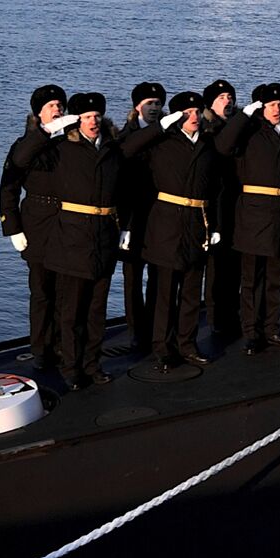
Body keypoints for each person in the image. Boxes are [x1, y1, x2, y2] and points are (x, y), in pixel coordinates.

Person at [13, 91, 122, 389]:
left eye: (97, 116)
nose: (93, 121)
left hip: (103, 238)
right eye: (86, 117)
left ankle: (92, 363)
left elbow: (123, 189)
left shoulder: (112, 148)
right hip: (72, 238)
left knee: (96, 310)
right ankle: (71, 367)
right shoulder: (60, 149)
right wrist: (48, 130)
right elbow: (20, 159)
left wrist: (125, 227)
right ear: (76, 121)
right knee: (71, 310)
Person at [122, 91, 220, 371]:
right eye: (188, 113)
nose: (194, 117)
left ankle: (187, 344)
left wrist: (216, 226)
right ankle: (162, 347)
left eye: (197, 112)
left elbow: (216, 187)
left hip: (197, 223)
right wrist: (159, 127)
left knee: (191, 291)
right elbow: (127, 149)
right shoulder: (161, 142)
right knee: (164, 291)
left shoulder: (207, 144)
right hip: (166, 223)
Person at [215, 82, 280, 354]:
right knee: (252, 278)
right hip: (254, 213)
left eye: (279, 104)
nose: (277, 109)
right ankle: (252, 332)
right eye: (270, 105)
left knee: (275, 277)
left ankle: (271, 328)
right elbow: (223, 146)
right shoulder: (249, 133)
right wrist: (244, 115)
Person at [0, 84, 66, 370]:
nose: (57, 109)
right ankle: (41, 348)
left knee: (65, 291)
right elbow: (9, 187)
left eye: (60, 105)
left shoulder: (70, 142)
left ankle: (64, 344)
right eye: (51, 106)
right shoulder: (25, 144)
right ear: (39, 113)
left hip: (68, 223)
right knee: (41, 291)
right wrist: (13, 227)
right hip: (37, 223)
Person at [119, 82, 166, 350]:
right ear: (137, 106)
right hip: (134, 216)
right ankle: (136, 330)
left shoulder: (167, 133)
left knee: (159, 274)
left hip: (161, 214)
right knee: (133, 277)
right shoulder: (125, 135)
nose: (154, 108)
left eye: (158, 103)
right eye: (149, 103)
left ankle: (155, 326)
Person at [201, 79, 241, 338]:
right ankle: (215, 317)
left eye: (230, 97)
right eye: (221, 97)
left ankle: (232, 313)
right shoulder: (206, 131)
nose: (228, 101)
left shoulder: (239, 125)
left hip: (237, 202)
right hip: (215, 203)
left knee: (235, 264)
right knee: (216, 265)